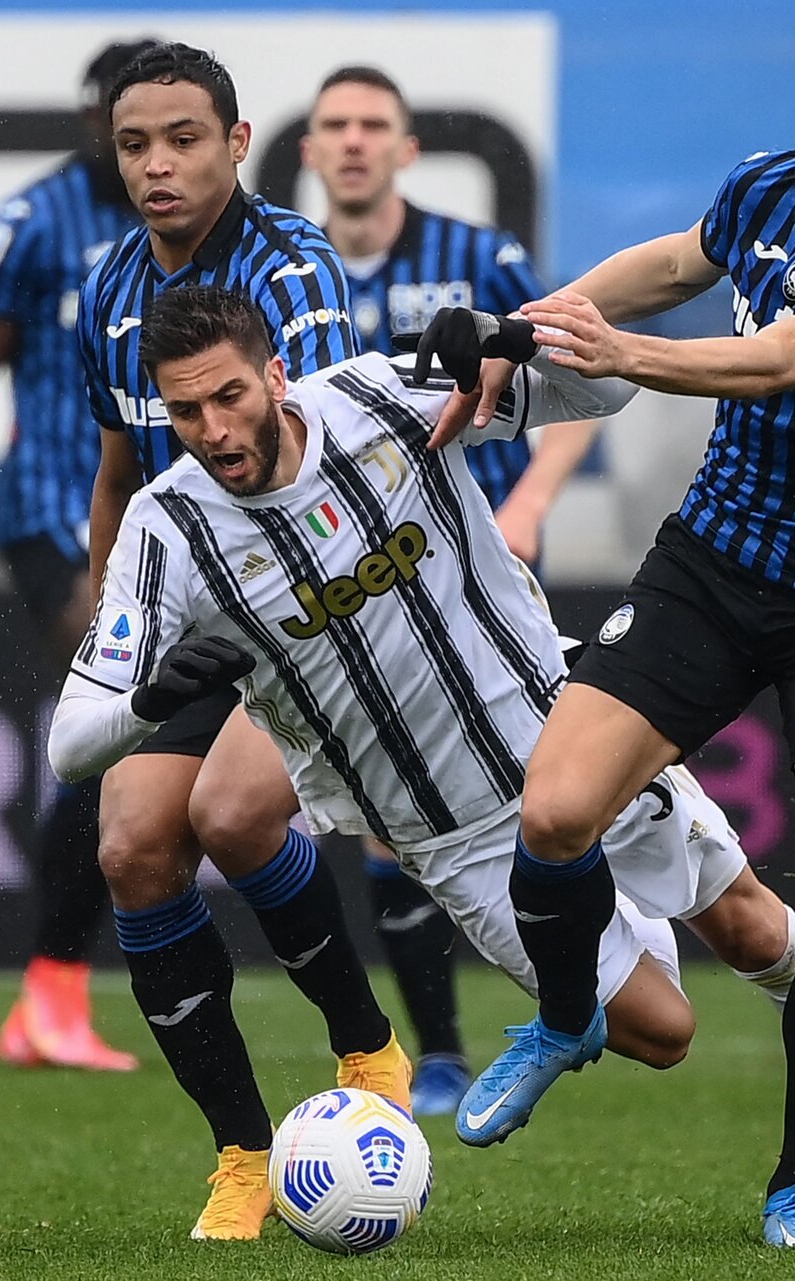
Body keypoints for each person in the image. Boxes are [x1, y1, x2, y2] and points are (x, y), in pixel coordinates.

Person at [47, 286, 795, 1241]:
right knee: (664, 1033)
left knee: (756, 931)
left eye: (229, 397)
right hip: (455, 839)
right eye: (184, 411)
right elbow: (72, 739)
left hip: (571, 743)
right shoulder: (167, 531)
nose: (213, 428)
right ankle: (588, 955)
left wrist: (513, 341)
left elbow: (607, 395)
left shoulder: (383, 397)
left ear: (275, 373)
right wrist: (153, 699)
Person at [436, 27, 795, 1245]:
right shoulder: (767, 184)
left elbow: (784, 360)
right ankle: (563, 1016)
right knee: (553, 815)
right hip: (714, 565)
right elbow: (662, 266)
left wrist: (622, 359)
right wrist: (527, 327)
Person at [72, 42, 404, 1241]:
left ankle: (367, 1052)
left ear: (236, 144)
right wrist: (112, 624)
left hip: (315, 605)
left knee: (228, 815)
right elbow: (118, 473)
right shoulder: (110, 290)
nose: (158, 166)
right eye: (134, 145)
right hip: (188, 618)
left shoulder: (294, 272)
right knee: (129, 850)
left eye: (183, 140)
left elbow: (310, 466)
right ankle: (244, 1155)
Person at [300, 64, 605, 1114]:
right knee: (399, 809)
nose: (351, 141)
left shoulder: (478, 258)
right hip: (374, 577)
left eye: (371, 124)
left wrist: (529, 510)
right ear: (307, 150)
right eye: (333, 125)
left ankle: (595, 989)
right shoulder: (298, 278)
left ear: (405, 148)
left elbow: (569, 387)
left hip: (493, 560)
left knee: (552, 788)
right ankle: (440, 1050)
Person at [0, 39, 162, 1072]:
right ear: (89, 115)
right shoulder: (35, 223)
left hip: (173, 526)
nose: (126, 140)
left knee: (118, 741)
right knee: (125, 710)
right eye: (112, 116)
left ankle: (50, 997)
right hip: (57, 515)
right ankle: (51, 989)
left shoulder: (195, 223)